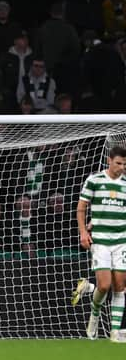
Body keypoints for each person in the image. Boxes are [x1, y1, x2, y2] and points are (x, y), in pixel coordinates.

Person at [75, 146, 126, 343]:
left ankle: (114, 333)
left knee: (120, 286)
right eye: (118, 163)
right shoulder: (94, 180)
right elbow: (81, 209)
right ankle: (94, 315)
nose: (121, 167)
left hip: (121, 240)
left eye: (124, 164)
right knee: (104, 285)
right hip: (101, 240)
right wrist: (83, 232)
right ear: (109, 160)